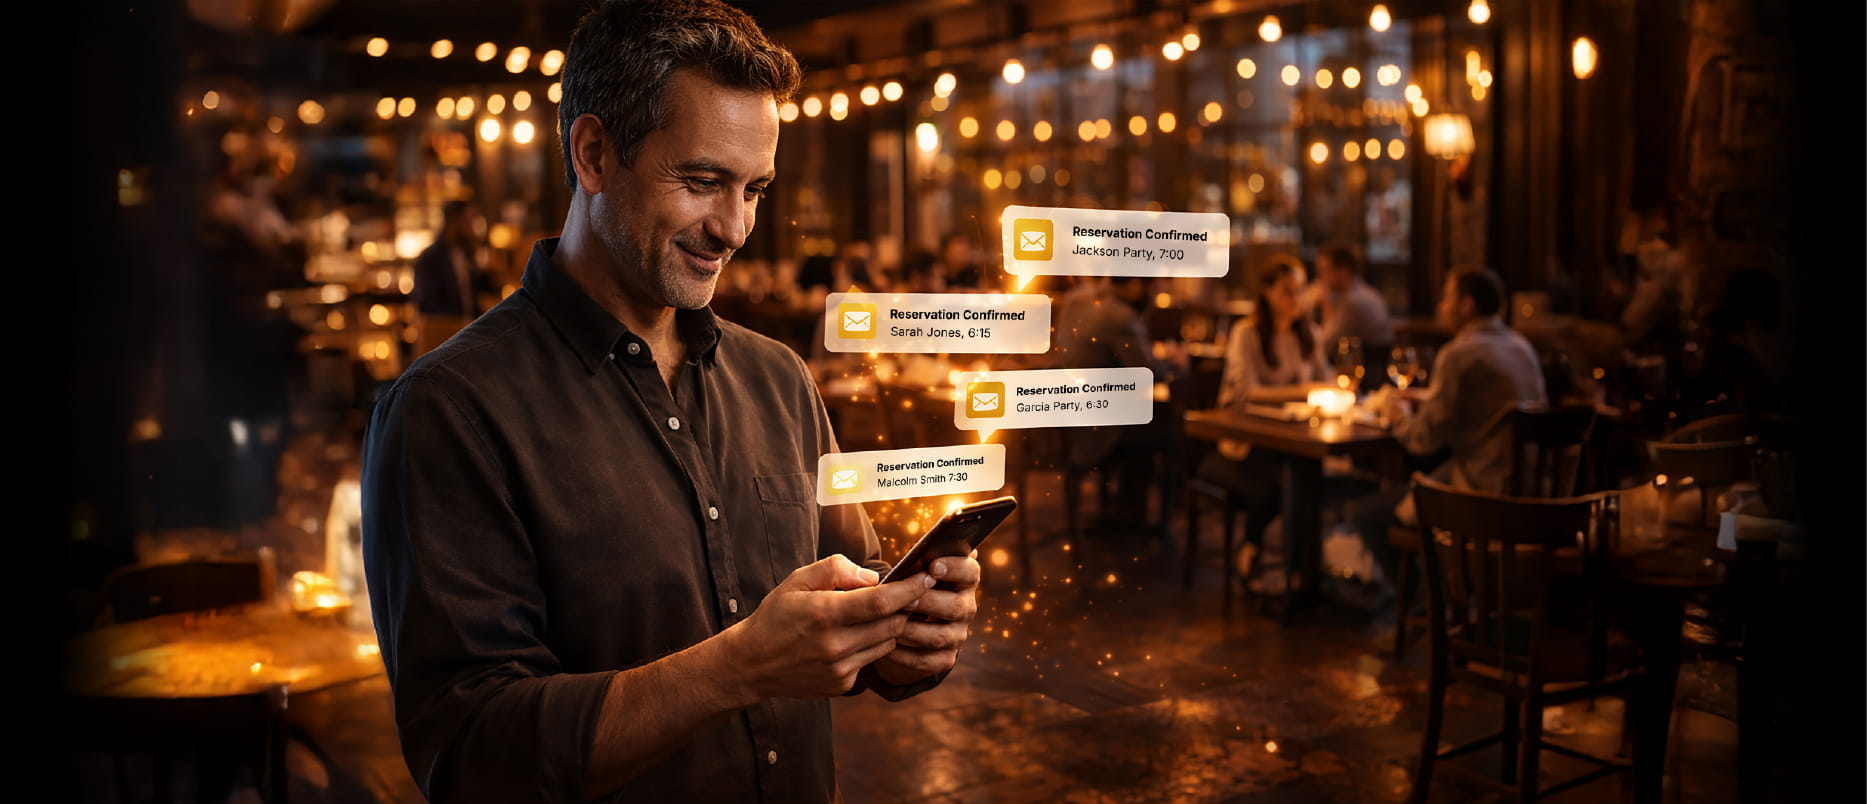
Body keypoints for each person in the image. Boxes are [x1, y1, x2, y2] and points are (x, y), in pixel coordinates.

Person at [360, 3, 980, 801]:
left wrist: (897, 638)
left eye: (754, 188)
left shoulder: (780, 381)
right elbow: (472, 753)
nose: (735, 228)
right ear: (593, 154)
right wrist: (740, 665)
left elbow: (840, 616)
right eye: (701, 182)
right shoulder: (450, 410)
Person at [1353, 267, 1549, 573]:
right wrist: (1427, 398)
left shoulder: (1459, 353)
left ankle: (1428, 601)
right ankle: (1443, 595)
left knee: (1364, 514)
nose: (1440, 307)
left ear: (1467, 305)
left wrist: (1397, 415)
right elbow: (1488, 406)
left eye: (1446, 298)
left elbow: (1423, 441)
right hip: (1529, 490)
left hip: (1480, 494)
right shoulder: (1520, 346)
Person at [1195, 256, 1333, 592]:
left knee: (1306, 477)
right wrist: (1307, 390)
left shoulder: (1308, 333)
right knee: (1288, 483)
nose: (1295, 299)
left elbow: (1328, 381)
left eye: (1300, 291)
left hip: (1291, 436)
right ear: (1266, 292)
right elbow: (1247, 393)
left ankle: (1305, 576)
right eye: (1288, 291)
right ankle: (1275, 561)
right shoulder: (1247, 332)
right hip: (1243, 444)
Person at [1049, 274, 1186, 530]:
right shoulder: (1121, 316)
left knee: (1147, 421)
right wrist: (1174, 363)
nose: (1154, 293)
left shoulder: (1074, 300)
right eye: (1151, 285)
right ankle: (1155, 522)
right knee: (1170, 427)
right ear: (1135, 282)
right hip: (1100, 431)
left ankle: (1123, 508)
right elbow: (1147, 371)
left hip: (1068, 417)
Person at [1307, 240, 1394, 393]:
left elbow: (1324, 345)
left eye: (1325, 270)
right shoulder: (1367, 292)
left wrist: (1326, 308)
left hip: (1365, 383)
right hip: (1374, 377)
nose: (1320, 277)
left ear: (1343, 271)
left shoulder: (1352, 302)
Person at [411, 200, 485, 356]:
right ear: (454, 222)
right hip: (442, 344)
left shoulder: (465, 253)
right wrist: (458, 326)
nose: (472, 228)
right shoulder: (429, 258)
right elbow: (426, 304)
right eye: (469, 221)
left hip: (467, 339)